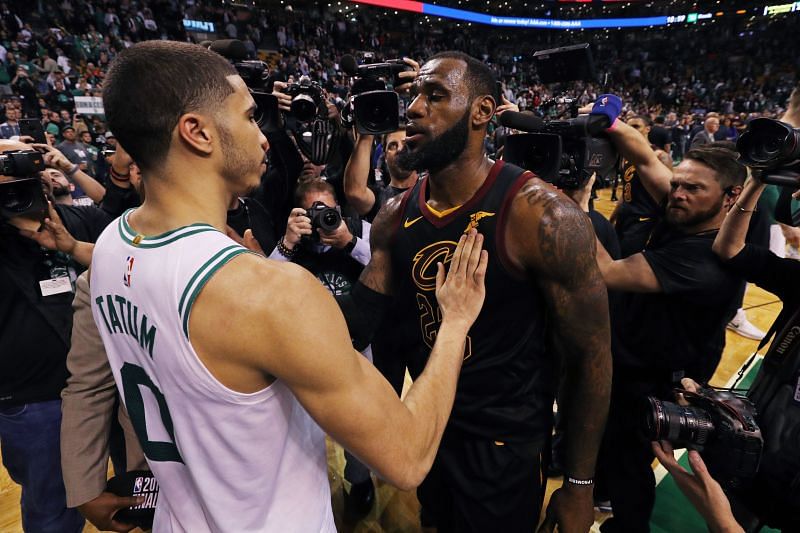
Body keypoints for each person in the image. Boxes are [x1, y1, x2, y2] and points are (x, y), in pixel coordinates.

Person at [92, 40, 487, 531]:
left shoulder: (109, 247)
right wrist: (455, 321)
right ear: (197, 132)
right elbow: (407, 457)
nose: (263, 138)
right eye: (250, 117)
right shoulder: (268, 293)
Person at [345, 51, 612, 532]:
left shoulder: (542, 216)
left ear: (483, 112)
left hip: (503, 445)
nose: (413, 109)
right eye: (414, 95)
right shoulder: (393, 215)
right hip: (428, 423)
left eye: (436, 95)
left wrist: (578, 485)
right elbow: (357, 323)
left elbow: (591, 356)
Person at [593, 140, 747, 533]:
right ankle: (604, 488)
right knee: (616, 451)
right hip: (635, 361)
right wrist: (606, 120)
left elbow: (606, 272)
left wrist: (572, 205)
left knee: (632, 465)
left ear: (731, 197)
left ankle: (627, 527)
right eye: (676, 183)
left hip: (656, 381)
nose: (677, 194)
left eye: (693, 188)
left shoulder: (705, 259)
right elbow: (645, 157)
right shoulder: (691, 214)